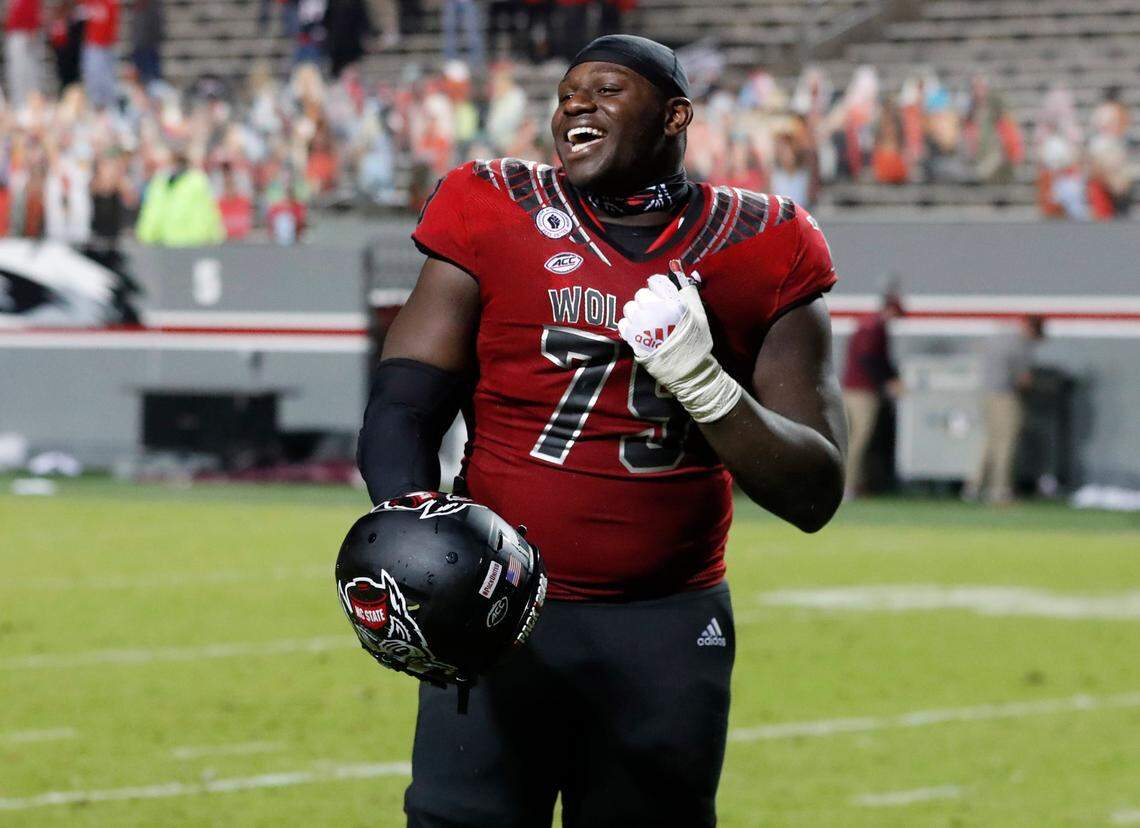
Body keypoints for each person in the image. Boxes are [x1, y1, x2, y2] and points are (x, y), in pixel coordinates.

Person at [355, 34, 846, 827]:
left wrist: (701, 380)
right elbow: (405, 404)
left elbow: (814, 490)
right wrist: (415, 550)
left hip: (666, 624)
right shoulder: (493, 205)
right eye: (566, 93)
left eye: (607, 89)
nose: (575, 104)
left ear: (676, 115)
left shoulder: (765, 242)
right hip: (494, 615)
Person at [965, 315, 1045, 505]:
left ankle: (974, 487)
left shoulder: (999, 336)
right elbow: (1024, 380)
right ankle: (999, 490)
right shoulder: (1021, 344)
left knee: (991, 441)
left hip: (986, 394)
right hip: (1005, 396)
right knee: (1006, 442)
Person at [841, 291, 902, 498]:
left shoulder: (866, 325)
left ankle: (854, 482)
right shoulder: (876, 328)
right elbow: (872, 359)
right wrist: (889, 380)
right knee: (860, 438)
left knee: (852, 438)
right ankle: (848, 485)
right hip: (862, 391)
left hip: (851, 388)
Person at [5, 0, 42, 110]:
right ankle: (19, 103)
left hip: (25, 34)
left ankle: (30, 103)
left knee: (28, 72)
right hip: (15, 33)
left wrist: (32, 29)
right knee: (16, 72)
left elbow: (34, 12)